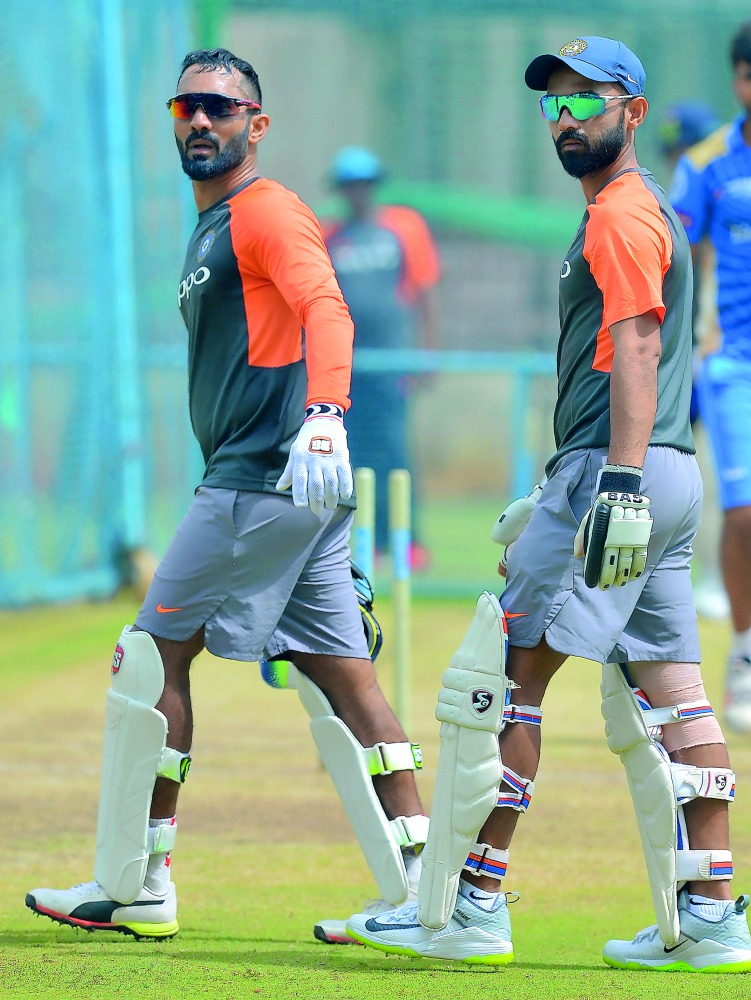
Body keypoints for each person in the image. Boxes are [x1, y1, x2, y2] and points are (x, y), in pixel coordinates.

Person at [344, 36, 751, 972]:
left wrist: (609, 481)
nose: (566, 120)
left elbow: (639, 346)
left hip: (621, 473)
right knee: (676, 692)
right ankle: (715, 912)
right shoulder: (630, 211)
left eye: (587, 101)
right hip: (668, 475)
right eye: (553, 105)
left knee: (500, 689)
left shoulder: (619, 214)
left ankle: (470, 903)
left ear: (633, 113)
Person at [24, 47, 427, 940]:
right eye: (185, 108)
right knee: (346, 677)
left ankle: (137, 883)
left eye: (219, 107)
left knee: (149, 657)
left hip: (261, 479)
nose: (200, 121)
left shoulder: (264, 210)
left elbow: (327, 307)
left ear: (257, 123)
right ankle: (429, 892)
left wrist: (325, 412)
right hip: (298, 491)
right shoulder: (213, 224)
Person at [669, 21, 751, 732]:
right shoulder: (705, 163)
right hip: (732, 362)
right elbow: (674, 256)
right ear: (737, 78)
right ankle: (745, 657)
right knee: (744, 511)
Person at [323, 148, 441, 570]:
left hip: (392, 364)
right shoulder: (330, 237)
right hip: (347, 370)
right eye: (350, 186)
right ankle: (366, 538)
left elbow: (424, 294)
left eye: (364, 185)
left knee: (395, 453)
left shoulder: (402, 228)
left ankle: (408, 540)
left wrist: (426, 355)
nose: (358, 193)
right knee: (353, 455)